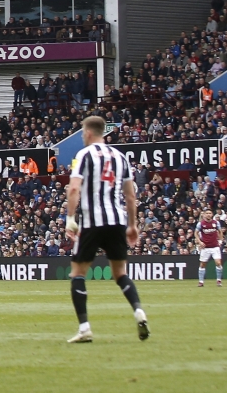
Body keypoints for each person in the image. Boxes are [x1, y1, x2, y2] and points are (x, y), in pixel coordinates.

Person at [64, 115, 149, 343]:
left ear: (89, 133)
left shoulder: (84, 155)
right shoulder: (120, 157)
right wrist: (132, 225)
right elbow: (130, 196)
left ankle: (84, 328)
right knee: (120, 273)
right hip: (117, 220)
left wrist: (70, 218)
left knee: (78, 273)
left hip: (92, 221)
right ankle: (138, 311)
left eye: (83, 132)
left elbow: (74, 189)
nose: (82, 136)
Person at [195, 209, 224, 287]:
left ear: (212, 215)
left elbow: (220, 231)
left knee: (218, 263)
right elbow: (196, 233)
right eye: (207, 213)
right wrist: (200, 242)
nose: (208, 214)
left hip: (215, 247)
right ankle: (201, 282)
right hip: (205, 248)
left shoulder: (216, 223)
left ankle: (219, 280)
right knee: (202, 264)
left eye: (210, 213)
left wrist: (220, 240)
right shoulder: (200, 224)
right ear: (204, 215)